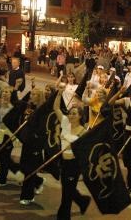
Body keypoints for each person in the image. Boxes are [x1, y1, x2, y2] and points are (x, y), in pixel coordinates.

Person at [54, 83, 91, 220]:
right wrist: (59, 93)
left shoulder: (82, 132)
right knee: (67, 188)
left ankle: (63, 216)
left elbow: (83, 151)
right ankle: (82, 201)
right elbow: (56, 108)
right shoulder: (65, 122)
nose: (71, 115)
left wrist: (70, 146)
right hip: (63, 162)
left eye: (74, 113)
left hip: (74, 165)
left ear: (81, 116)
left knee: (66, 192)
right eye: (70, 113)